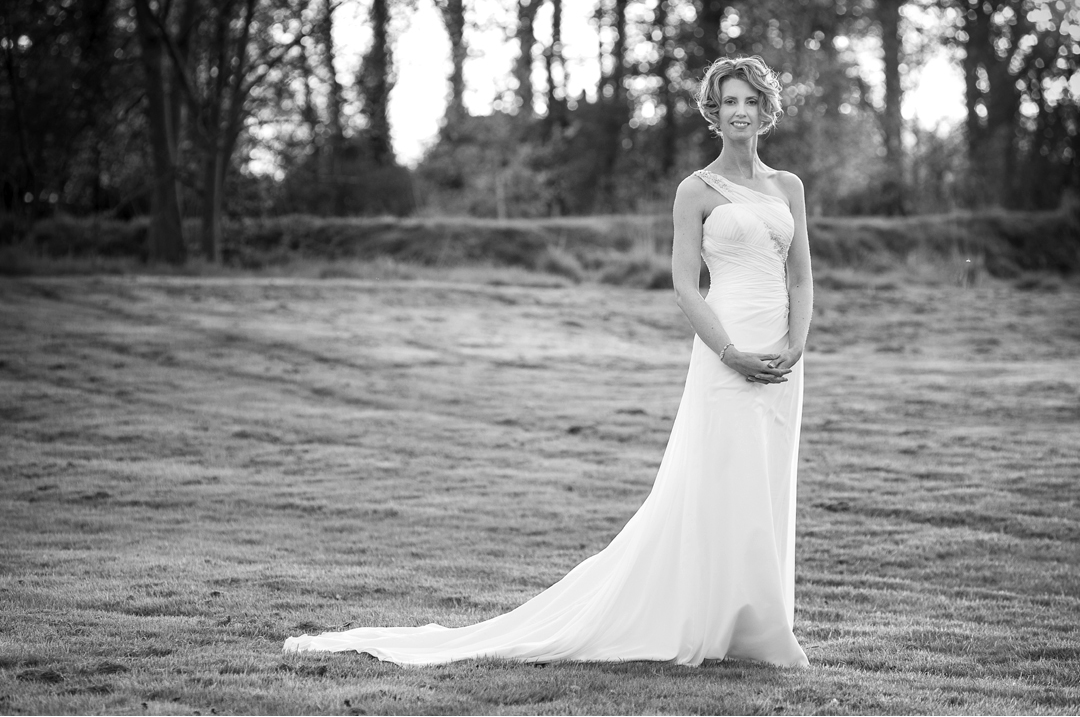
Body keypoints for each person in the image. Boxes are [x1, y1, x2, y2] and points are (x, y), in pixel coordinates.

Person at [283, 55, 812, 668]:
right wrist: (730, 352)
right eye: (729, 102)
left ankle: (757, 621)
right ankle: (716, 621)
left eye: (751, 100)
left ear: (766, 110)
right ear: (713, 113)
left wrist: (794, 346)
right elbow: (686, 287)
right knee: (719, 479)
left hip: (781, 356)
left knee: (766, 484)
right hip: (725, 351)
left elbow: (800, 279)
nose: (740, 111)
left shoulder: (788, 188)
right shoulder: (695, 190)